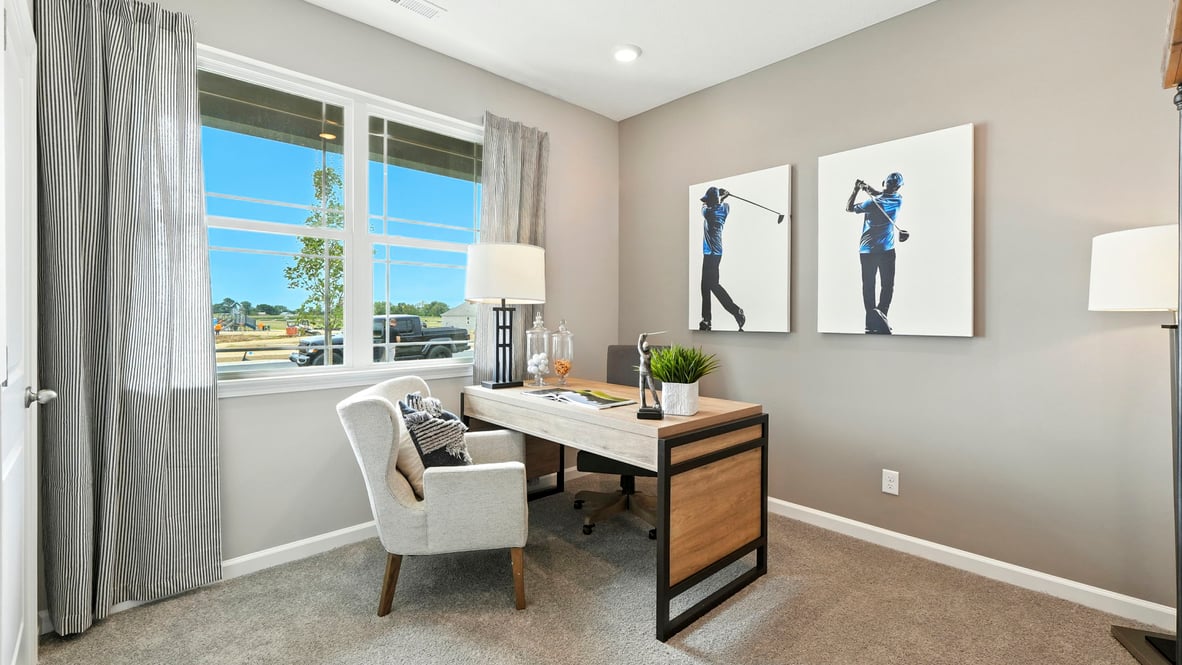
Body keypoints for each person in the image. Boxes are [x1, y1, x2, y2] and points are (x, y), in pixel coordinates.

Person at [846, 172, 904, 334]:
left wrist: (856, 190)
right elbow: (881, 194)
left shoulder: (871, 204)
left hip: (867, 250)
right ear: (898, 187)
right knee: (888, 285)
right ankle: (881, 315)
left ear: (883, 182)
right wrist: (866, 187)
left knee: (869, 286)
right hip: (887, 250)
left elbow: (849, 208)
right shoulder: (898, 198)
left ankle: (872, 321)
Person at [698, 186, 746, 332]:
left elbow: (703, 206)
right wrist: (723, 196)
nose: (707, 203)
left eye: (709, 201)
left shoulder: (707, 212)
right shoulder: (724, 209)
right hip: (716, 254)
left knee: (711, 286)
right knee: (706, 287)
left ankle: (735, 311)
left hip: (710, 254)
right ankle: (707, 320)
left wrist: (721, 196)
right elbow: (722, 203)